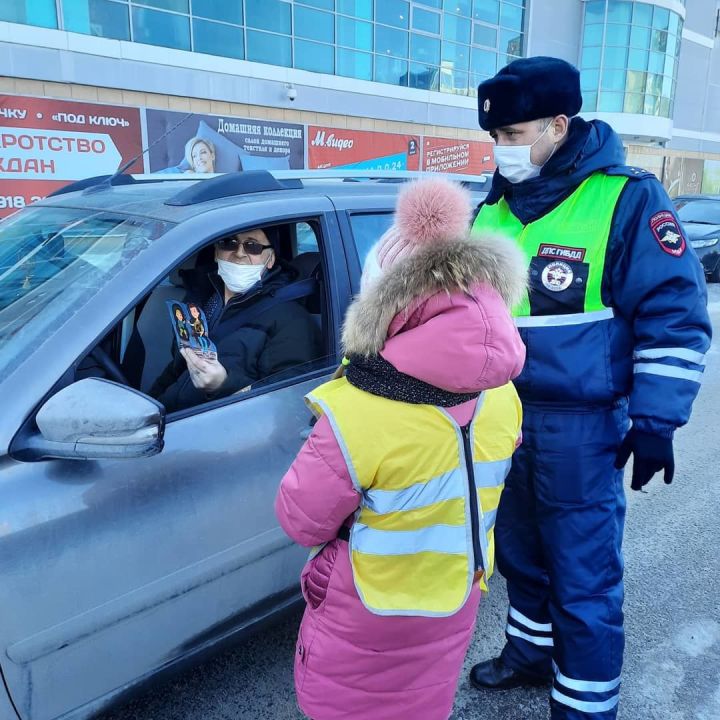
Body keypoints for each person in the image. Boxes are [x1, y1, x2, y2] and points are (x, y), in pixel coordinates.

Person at [468, 56, 712, 719]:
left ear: (558, 123)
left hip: (580, 423)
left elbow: (675, 315)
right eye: (495, 138)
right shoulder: (494, 205)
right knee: (518, 554)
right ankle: (530, 654)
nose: (502, 150)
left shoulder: (625, 197)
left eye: (514, 135)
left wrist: (656, 420)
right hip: (500, 416)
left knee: (583, 576)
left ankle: (584, 706)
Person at [275, 177, 528, 720]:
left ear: (385, 305)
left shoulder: (358, 411)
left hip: (365, 608)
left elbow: (300, 521)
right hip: (453, 599)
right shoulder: (503, 396)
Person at [149, 225, 321, 412]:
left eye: (252, 246)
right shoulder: (199, 302)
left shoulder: (292, 321)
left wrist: (223, 384)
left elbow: (284, 402)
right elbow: (177, 369)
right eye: (228, 243)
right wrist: (147, 407)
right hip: (168, 421)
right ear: (216, 252)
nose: (239, 253)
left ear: (270, 259)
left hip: (217, 430)